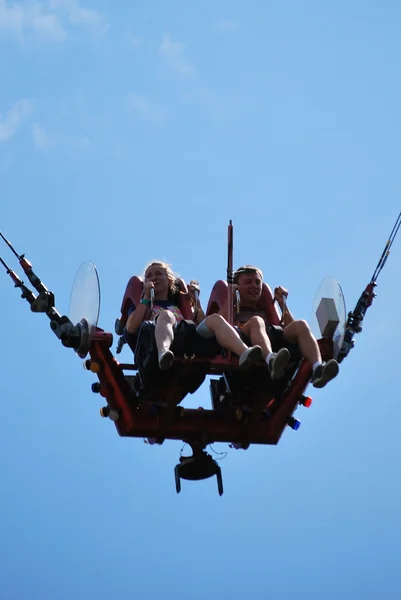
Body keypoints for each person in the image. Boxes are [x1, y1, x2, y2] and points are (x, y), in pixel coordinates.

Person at [125, 261, 263, 370]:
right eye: (149, 276)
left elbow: (203, 323)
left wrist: (195, 302)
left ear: (169, 280)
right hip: (157, 341)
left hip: (187, 338)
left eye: (159, 274)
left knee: (215, 319)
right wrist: (146, 299)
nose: (154, 277)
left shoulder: (180, 304)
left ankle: (244, 352)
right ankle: (164, 353)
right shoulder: (143, 305)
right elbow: (130, 328)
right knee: (166, 315)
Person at [220, 265, 339, 388]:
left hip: (271, 338)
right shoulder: (232, 309)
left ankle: (318, 368)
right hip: (243, 340)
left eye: (257, 282)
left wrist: (282, 305)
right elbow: (220, 325)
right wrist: (231, 297)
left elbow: (290, 327)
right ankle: (271, 360)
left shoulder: (265, 309)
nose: (254, 286)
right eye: (248, 282)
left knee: (301, 324)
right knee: (256, 321)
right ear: (237, 287)